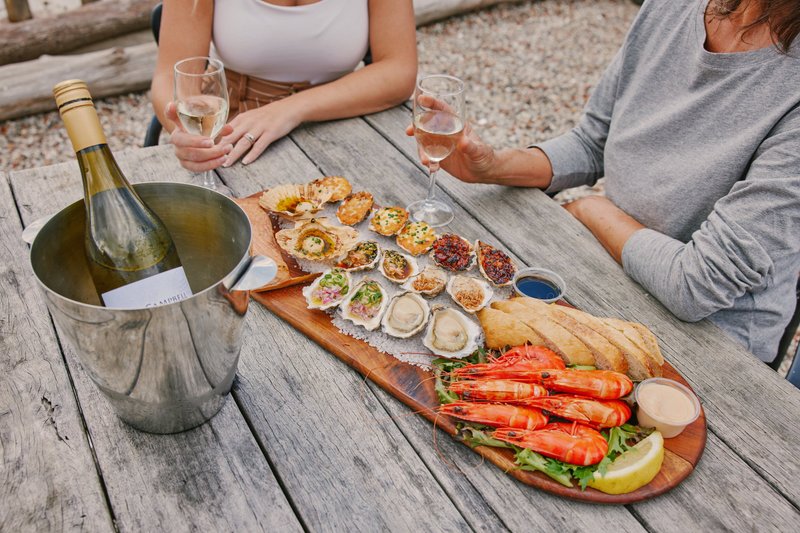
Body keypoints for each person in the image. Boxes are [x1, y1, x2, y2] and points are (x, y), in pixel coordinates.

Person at [413, 0, 800, 363]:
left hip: (711, 343)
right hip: (609, 264)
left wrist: (590, 207)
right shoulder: (672, 6)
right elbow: (593, 141)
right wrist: (492, 167)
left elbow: (697, 284)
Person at [152, 0, 417, 171]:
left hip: (342, 117)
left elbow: (399, 69)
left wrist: (288, 109)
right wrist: (188, 136)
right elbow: (170, 75)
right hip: (234, 127)